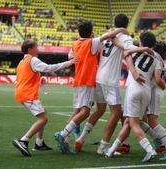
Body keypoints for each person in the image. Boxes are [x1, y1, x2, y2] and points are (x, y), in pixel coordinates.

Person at [73, 14, 144, 154]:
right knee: (116, 112)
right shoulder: (126, 38)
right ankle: (103, 146)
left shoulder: (107, 35)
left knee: (100, 110)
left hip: (98, 77)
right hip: (111, 80)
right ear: (127, 24)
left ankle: (81, 138)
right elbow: (129, 52)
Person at [54, 22, 128, 154]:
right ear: (90, 33)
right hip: (88, 81)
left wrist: (78, 60)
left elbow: (71, 57)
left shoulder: (76, 43)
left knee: (81, 111)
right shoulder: (91, 43)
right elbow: (107, 36)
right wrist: (121, 29)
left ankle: (70, 138)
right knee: (86, 112)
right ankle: (63, 134)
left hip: (80, 81)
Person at [105, 32, 166, 162]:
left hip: (134, 89)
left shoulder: (133, 51)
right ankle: (110, 151)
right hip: (147, 91)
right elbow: (157, 78)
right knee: (128, 122)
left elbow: (125, 53)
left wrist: (140, 49)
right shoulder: (157, 57)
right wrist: (145, 49)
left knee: (133, 123)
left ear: (141, 41)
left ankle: (150, 150)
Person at [12, 39, 76, 157]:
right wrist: (69, 63)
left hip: (22, 93)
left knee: (43, 113)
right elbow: (48, 68)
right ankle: (23, 140)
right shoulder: (33, 59)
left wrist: (39, 79)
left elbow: (26, 77)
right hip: (28, 94)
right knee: (43, 119)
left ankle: (39, 143)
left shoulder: (22, 61)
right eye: (36, 47)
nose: (38, 49)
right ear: (30, 49)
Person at [141, 41, 166, 161]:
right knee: (140, 119)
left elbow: (157, 80)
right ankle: (158, 140)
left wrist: (164, 85)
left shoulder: (155, 58)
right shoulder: (158, 59)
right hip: (153, 91)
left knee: (151, 119)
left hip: (154, 91)